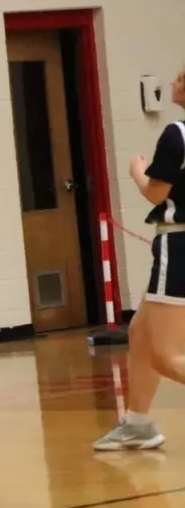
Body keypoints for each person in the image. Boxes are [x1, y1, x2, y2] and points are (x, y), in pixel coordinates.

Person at [93, 68, 185, 451]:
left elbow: (155, 193)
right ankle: (137, 423)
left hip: (178, 244)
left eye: (179, 78)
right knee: (140, 333)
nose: (173, 82)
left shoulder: (177, 134)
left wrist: (136, 172)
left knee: (166, 356)